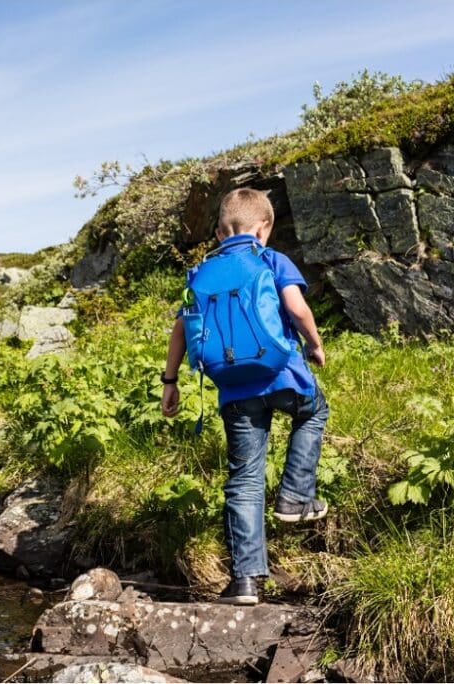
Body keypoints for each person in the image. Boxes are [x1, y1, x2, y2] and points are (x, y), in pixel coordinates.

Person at [160, 188, 329, 606]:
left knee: (245, 479)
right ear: (263, 228)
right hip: (283, 377)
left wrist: (170, 382)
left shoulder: (199, 273)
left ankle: (246, 582)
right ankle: (295, 495)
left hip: (234, 390)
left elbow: (181, 330)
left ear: (219, 232)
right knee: (314, 411)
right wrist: (315, 343)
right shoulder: (271, 259)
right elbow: (296, 307)